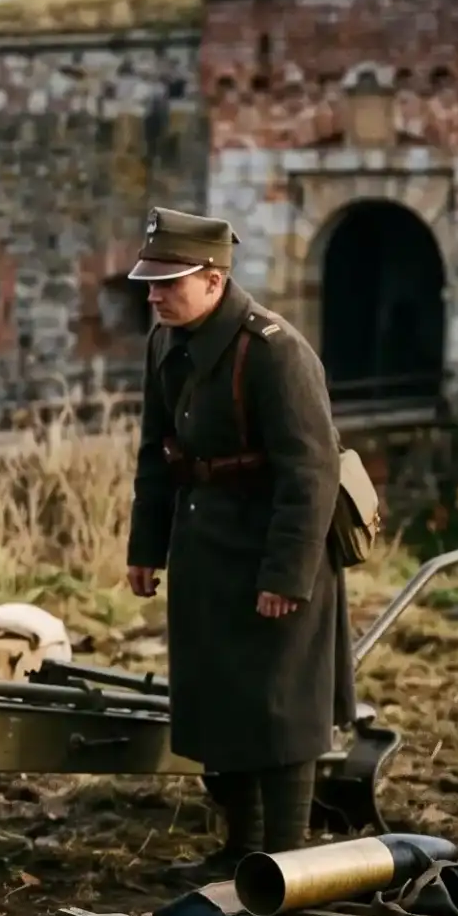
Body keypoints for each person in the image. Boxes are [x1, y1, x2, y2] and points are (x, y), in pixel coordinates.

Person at [123, 207, 351, 878]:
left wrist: (286, 575)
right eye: (151, 282)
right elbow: (153, 453)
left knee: (280, 707)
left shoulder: (275, 351)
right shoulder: (165, 343)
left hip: (272, 548)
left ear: (215, 280)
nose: (154, 294)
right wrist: (146, 547)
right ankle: (238, 847)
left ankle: (285, 857)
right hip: (204, 546)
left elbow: (311, 472)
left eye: (169, 282)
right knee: (216, 698)